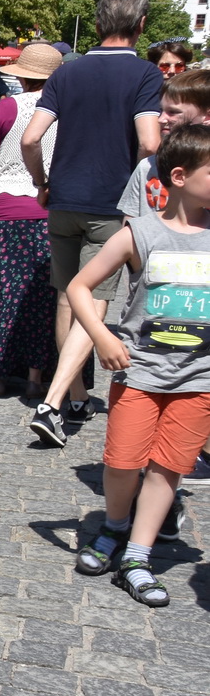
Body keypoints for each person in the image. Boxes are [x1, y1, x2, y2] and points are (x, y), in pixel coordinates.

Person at [66, 124, 210, 608]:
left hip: (199, 378)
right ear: (179, 176)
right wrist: (102, 336)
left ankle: (137, 557)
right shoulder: (140, 233)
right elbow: (79, 286)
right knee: (123, 461)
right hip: (141, 372)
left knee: (169, 468)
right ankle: (114, 526)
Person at [22, 0, 165, 447]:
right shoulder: (145, 74)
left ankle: (77, 396)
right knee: (96, 303)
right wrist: (140, 193)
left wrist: (41, 182)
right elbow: (149, 141)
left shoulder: (67, 72)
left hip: (63, 198)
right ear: (141, 24)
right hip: (109, 205)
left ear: (99, 22)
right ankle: (53, 403)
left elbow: (30, 138)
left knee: (70, 298)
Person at [117, 69, 210, 482]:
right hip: (155, 326)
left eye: (173, 111)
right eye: (162, 110)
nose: (162, 118)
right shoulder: (150, 166)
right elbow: (131, 226)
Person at [0, 42, 65, 398]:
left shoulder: (7, 107)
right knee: (44, 297)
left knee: (0, 294)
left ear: (23, 77)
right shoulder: (68, 110)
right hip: (49, 210)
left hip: (5, 211)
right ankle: (35, 376)